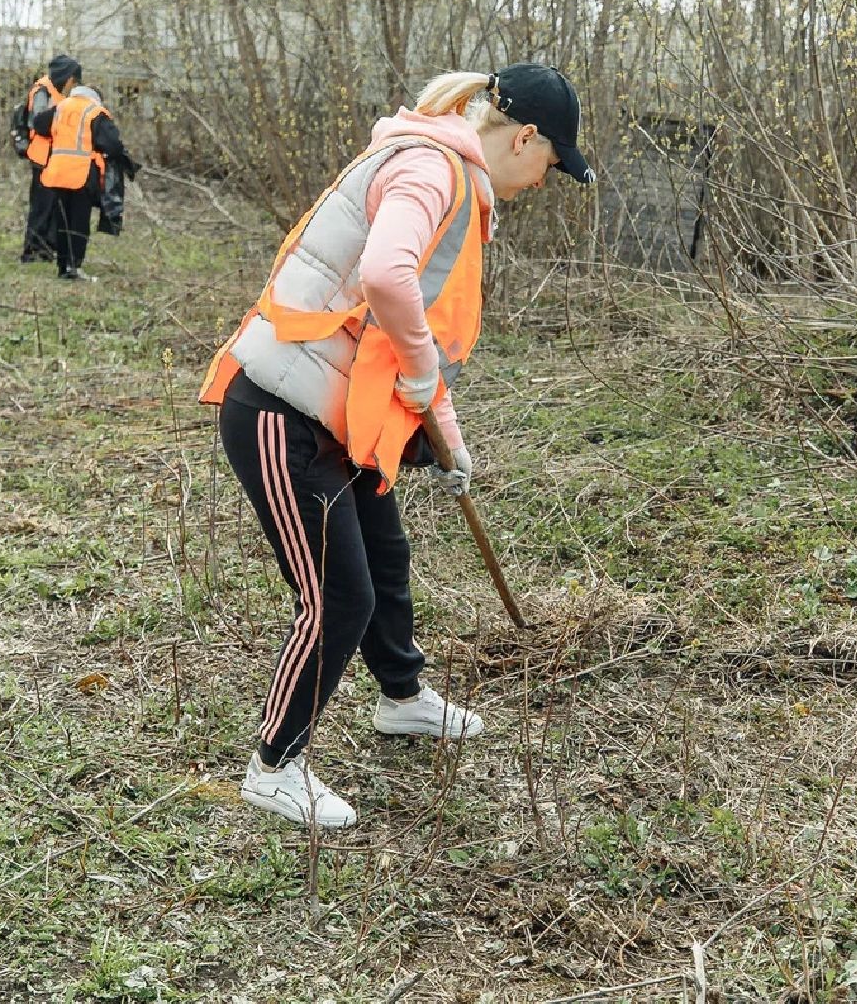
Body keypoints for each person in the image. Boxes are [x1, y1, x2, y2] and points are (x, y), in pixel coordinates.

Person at [197, 63, 594, 828]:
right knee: (337, 596)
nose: (544, 182)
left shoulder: (449, 176)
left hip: (338, 414)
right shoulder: (430, 167)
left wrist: (447, 434)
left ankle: (403, 699)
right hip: (281, 412)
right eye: (550, 164)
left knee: (385, 559)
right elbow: (385, 276)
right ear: (524, 138)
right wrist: (418, 372)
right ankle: (273, 765)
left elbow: (415, 340)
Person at [32, 83, 139, 281]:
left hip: (57, 173)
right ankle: (74, 267)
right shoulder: (95, 111)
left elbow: (39, 124)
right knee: (79, 222)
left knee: (62, 220)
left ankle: (63, 265)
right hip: (81, 174)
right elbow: (113, 144)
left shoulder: (61, 107)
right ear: (96, 97)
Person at [19, 55, 78, 264]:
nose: (73, 83)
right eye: (72, 78)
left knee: (53, 206)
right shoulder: (43, 90)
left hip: (54, 159)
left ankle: (45, 249)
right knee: (41, 207)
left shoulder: (56, 91)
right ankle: (31, 250)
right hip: (43, 158)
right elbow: (40, 123)